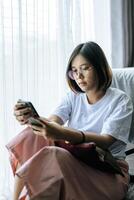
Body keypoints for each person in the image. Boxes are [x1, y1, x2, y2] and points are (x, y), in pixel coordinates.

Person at [6, 41, 133, 200]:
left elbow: (106, 141)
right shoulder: (73, 97)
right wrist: (32, 118)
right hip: (78, 160)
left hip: (108, 171)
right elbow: (53, 122)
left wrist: (64, 133)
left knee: (55, 154)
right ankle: (21, 193)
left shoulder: (121, 100)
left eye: (85, 68)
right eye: (74, 71)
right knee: (31, 134)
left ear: (100, 67)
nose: (78, 76)